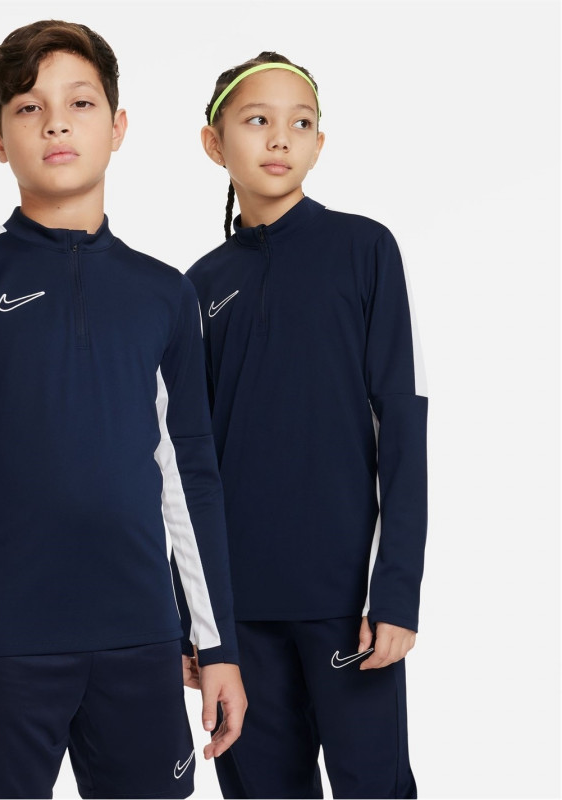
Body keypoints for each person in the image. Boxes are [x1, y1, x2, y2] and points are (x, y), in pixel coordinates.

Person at [0, 20, 246, 800]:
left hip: (143, 642)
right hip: (4, 647)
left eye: (80, 103)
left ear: (117, 127)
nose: (56, 123)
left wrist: (218, 643)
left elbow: (190, 474)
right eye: (29, 108)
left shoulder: (165, 294)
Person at [178, 51, 428, 799]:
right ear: (214, 143)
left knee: (373, 786)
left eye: (301, 122)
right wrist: (192, 619)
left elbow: (401, 424)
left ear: (320, 143)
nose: (280, 138)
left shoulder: (364, 249)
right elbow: (186, 465)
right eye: (257, 120)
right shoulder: (198, 287)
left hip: (345, 604)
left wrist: (396, 591)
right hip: (239, 614)